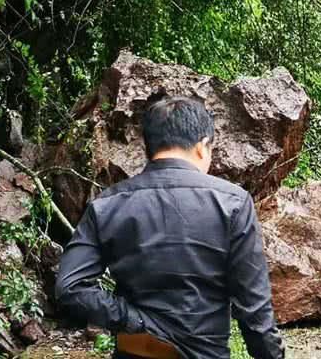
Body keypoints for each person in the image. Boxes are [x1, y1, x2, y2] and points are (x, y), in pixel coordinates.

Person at [56, 96, 285, 359]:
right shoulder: (232, 203)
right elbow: (253, 306)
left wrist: (137, 321)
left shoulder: (107, 205)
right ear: (203, 146)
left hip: (136, 351)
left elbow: (70, 288)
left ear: (148, 146)